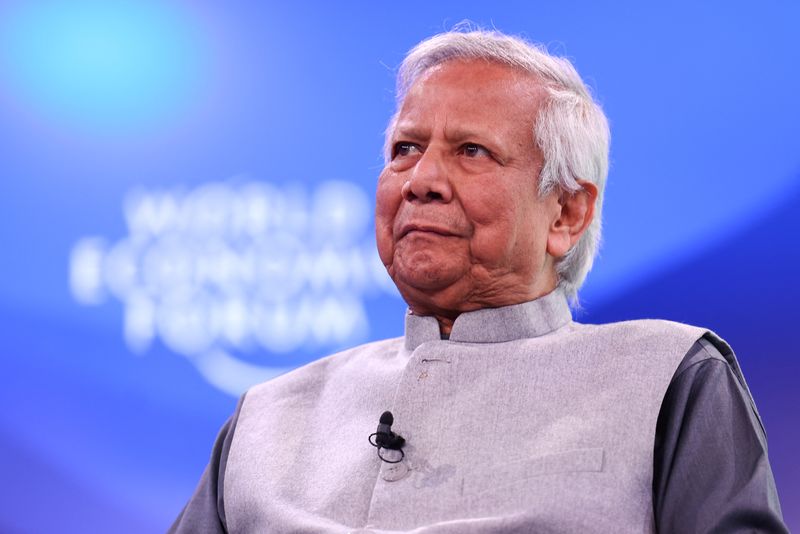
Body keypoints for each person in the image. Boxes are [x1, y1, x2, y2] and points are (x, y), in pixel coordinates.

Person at [170, 29, 787, 533]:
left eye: (471, 151)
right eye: (405, 149)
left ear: (567, 213)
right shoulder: (269, 413)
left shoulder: (668, 376)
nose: (420, 180)